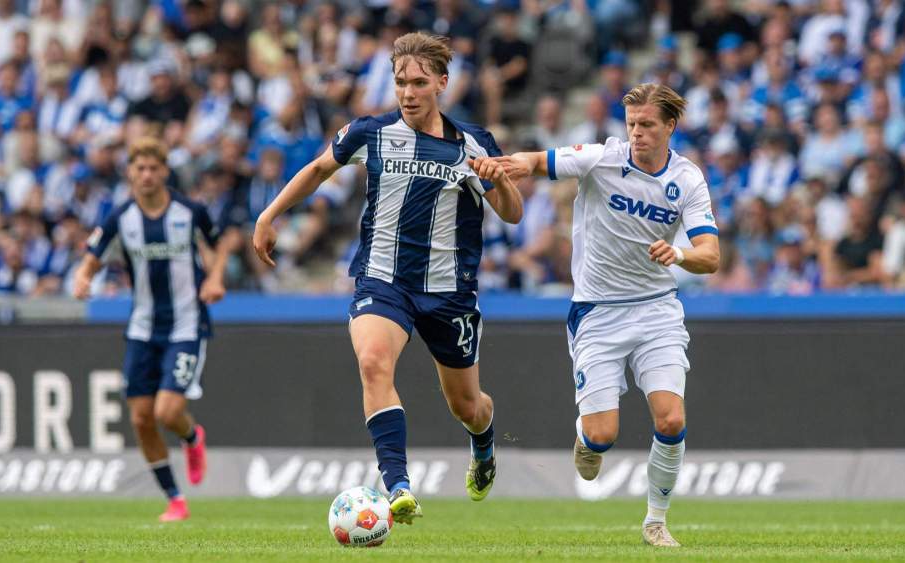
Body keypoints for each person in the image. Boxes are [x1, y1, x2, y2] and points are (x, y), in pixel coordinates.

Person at [252, 33, 522, 525]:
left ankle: (483, 443)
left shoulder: (473, 143)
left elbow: (513, 213)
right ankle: (398, 485)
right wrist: (269, 215)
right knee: (374, 361)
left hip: (449, 292)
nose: (408, 93)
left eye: (418, 83)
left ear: (442, 83)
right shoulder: (370, 132)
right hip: (383, 280)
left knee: (468, 406)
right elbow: (318, 168)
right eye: (400, 82)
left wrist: (499, 180)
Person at [498, 84, 720, 547]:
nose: (637, 133)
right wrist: (509, 164)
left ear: (670, 127)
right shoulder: (601, 159)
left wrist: (679, 254)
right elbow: (536, 161)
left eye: (647, 125)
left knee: (671, 420)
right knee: (603, 435)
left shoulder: (688, 180)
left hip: (656, 311)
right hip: (598, 313)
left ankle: (656, 521)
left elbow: (711, 255)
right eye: (632, 124)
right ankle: (588, 437)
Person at [72, 137, 232, 522]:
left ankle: (191, 436)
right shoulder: (120, 217)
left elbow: (218, 247)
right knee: (141, 418)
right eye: (139, 168)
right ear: (130, 172)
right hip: (142, 328)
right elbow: (92, 256)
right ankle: (175, 499)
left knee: (167, 411)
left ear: (164, 171)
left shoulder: (190, 211)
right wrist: (83, 277)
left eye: (153, 168)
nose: (146, 175)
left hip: (186, 326)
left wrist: (215, 278)